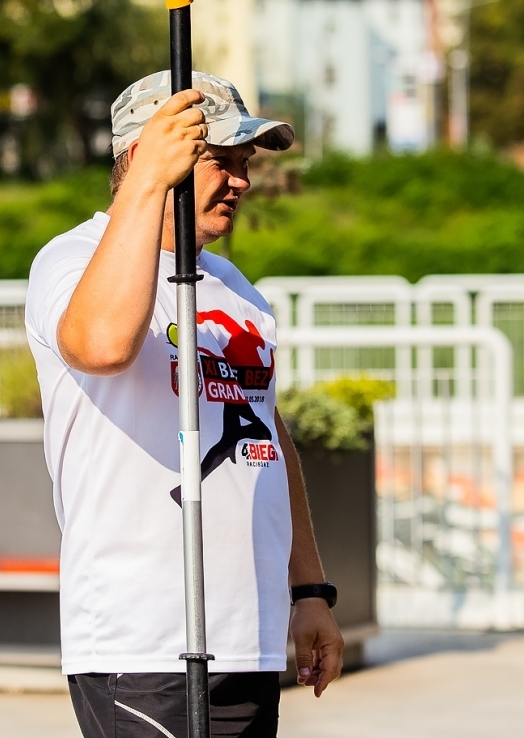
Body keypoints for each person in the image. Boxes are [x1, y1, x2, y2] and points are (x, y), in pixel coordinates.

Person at [26, 70, 345, 738]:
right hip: (141, 642)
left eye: (244, 164)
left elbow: (265, 433)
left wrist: (309, 591)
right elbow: (103, 346)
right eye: (220, 163)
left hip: (246, 637)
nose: (242, 182)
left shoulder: (236, 288)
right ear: (149, 157)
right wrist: (147, 185)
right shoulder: (72, 260)